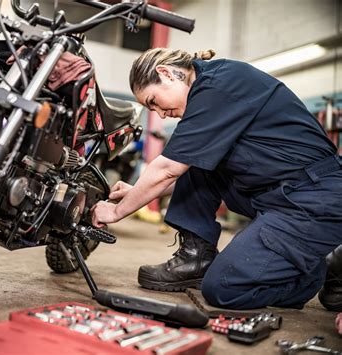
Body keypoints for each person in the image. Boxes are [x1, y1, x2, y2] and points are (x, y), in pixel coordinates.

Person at [91, 48, 342, 310]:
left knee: (224, 287)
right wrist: (137, 192)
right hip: (276, 194)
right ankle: (196, 257)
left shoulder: (220, 86)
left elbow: (167, 169)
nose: (160, 114)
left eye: (153, 101)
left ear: (165, 73)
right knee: (196, 161)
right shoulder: (209, 90)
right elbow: (184, 171)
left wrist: (118, 211)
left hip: (313, 200)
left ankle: (317, 271)